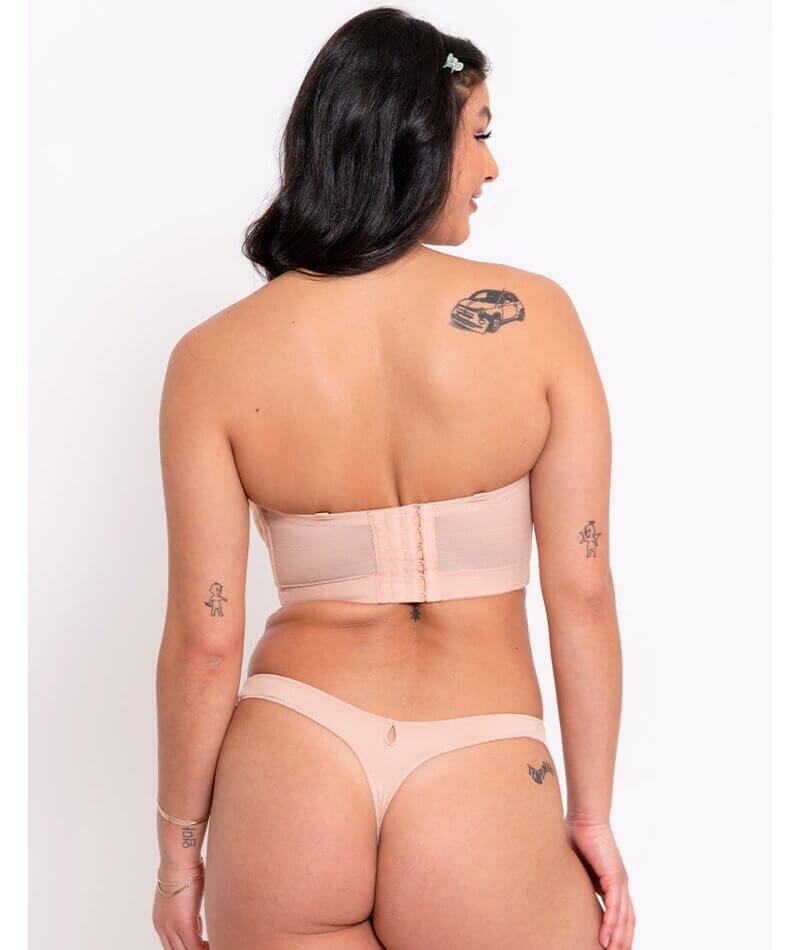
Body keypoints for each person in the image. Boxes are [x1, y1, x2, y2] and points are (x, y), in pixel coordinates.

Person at [152, 7, 635, 949]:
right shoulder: (537, 318)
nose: (491, 167)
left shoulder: (210, 360)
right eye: (479, 134)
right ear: (416, 140)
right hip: (480, 768)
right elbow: (581, 595)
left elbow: (205, 642)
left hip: (291, 764)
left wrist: (180, 856)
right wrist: (591, 817)